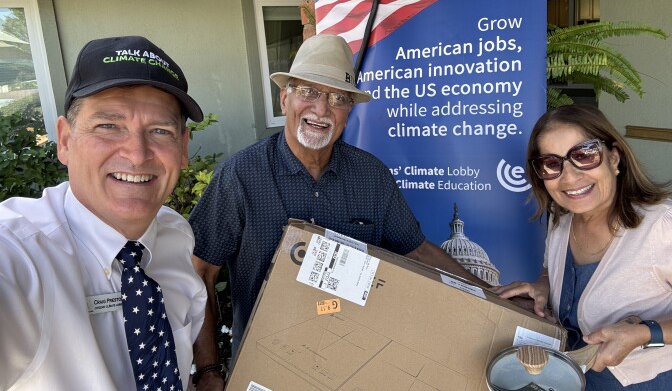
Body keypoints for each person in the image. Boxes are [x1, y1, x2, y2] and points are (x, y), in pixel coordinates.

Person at [188, 33, 488, 389]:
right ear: (285, 99)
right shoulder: (240, 176)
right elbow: (199, 273)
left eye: (338, 98)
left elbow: (418, 250)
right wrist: (208, 371)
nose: (321, 109)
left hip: (355, 365)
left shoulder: (371, 176)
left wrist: (490, 294)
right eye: (309, 92)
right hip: (265, 367)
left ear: (349, 111)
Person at [0, 36, 207, 390]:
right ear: (65, 140)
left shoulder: (174, 234)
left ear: (183, 148)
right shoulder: (19, 255)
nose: (138, 154)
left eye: (160, 130)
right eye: (108, 126)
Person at [494, 105, 672, 389]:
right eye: (552, 164)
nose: (569, 176)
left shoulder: (661, 226)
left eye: (584, 155)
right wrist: (544, 285)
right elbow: (554, 270)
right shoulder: (561, 219)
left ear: (614, 157)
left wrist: (643, 333)